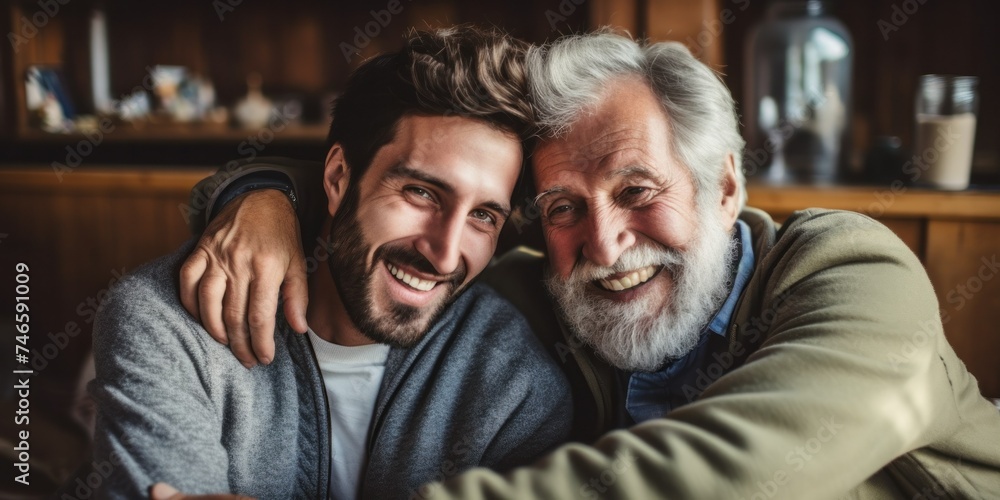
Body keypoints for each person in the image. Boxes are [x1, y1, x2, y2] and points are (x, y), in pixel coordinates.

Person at [181, 31, 1000, 498]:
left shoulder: (851, 271)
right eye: (564, 206)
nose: (605, 246)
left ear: (724, 186)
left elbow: (737, 473)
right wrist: (261, 196)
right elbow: (398, 196)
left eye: (638, 190)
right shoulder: (546, 290)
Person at [80, 26, 572, 500]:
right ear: (337, 178)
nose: (444, 254)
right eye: (421, 192)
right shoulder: (166, 322)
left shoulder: (517, 386)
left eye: (483, 216)